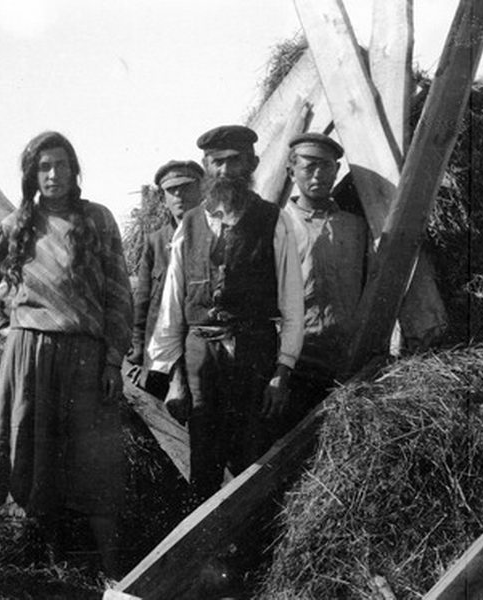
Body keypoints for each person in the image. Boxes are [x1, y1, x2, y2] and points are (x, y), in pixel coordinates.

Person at [0, 131, 132, 577]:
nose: (53, 174)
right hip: (30, 353)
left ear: (75, 170)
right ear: (31, 175)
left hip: (85, 353)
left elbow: (119, 292)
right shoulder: (16, 224)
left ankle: (111, 566)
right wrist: (2, 325)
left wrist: (113, 359)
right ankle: (51, 563)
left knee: (91, 458)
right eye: (44, 167)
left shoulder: (97, 220)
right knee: (34, 452)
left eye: (61, 165)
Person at [147, 124, 304, 503]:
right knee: (204, 457)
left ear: (252, 164)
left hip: (255, 353)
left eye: (234, 161)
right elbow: (172, 306)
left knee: (253, 454)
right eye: (216, 162)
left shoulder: (274, 220)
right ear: (206, 166)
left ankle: (251, 537)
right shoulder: (189, 224)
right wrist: (174, 378)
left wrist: (282, 371)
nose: (225, 170)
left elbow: (293, 304)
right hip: (201, 356)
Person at [282, 132, 370, 419]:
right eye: (309, 166)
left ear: (337, 170)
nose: (318, 175)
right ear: (291, 171)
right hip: (298, 360)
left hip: (347, 358)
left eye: (326, 166)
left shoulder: (356, 227)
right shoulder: (279, 226)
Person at [128, 160, 204, 397]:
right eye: (172, 190)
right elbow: (143, 303)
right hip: (162, 354)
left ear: (201, 189)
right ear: (163, 198)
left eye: (186, 187)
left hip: (200, 351)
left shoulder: (213, 235)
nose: (179, 195)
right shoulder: (156, 241)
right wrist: (139, 356)